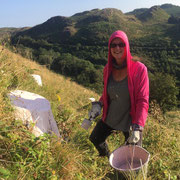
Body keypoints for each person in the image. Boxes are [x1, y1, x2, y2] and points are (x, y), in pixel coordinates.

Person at [89, 30, 149, 157]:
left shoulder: (139, 69)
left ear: (127, 46)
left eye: (121, 44)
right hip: (112, 115)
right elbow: (108, 92)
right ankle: (107, 158)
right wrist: (99, 104)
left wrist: (138, 126)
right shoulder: (108, 69)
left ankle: (131, 176)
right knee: (95, 138)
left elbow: (142, 100)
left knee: (133, 155)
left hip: (131, 120)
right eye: (113, 45)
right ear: (109, 48)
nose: (117, 48)